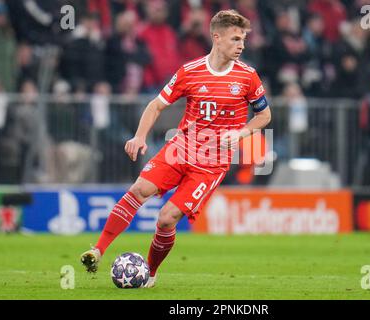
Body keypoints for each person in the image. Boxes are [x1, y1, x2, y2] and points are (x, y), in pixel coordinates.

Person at [80, 9, 272, 288]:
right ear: (216, 38)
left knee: (167, 218)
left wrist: (242, 132)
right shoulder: (190, 71)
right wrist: (139, 137)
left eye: (242, 39)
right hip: (180, 149)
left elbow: (265, 116)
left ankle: (151, 274)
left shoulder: (247, 76)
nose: (241, 45)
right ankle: (97, 250)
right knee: (138, 190)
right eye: (234, 39)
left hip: (212, 162)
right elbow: (156, 105)